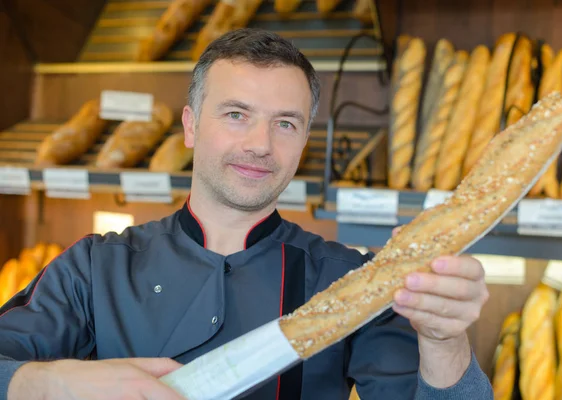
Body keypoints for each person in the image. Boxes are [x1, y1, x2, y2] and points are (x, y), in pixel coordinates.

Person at [0, 28, 493, 400]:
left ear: (303, 141)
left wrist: (444, 340)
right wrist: (51, 381)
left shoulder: (349, 281)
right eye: (236, 115)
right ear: (190, 126)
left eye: (285, 123)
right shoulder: (93, 267)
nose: (260, 145)